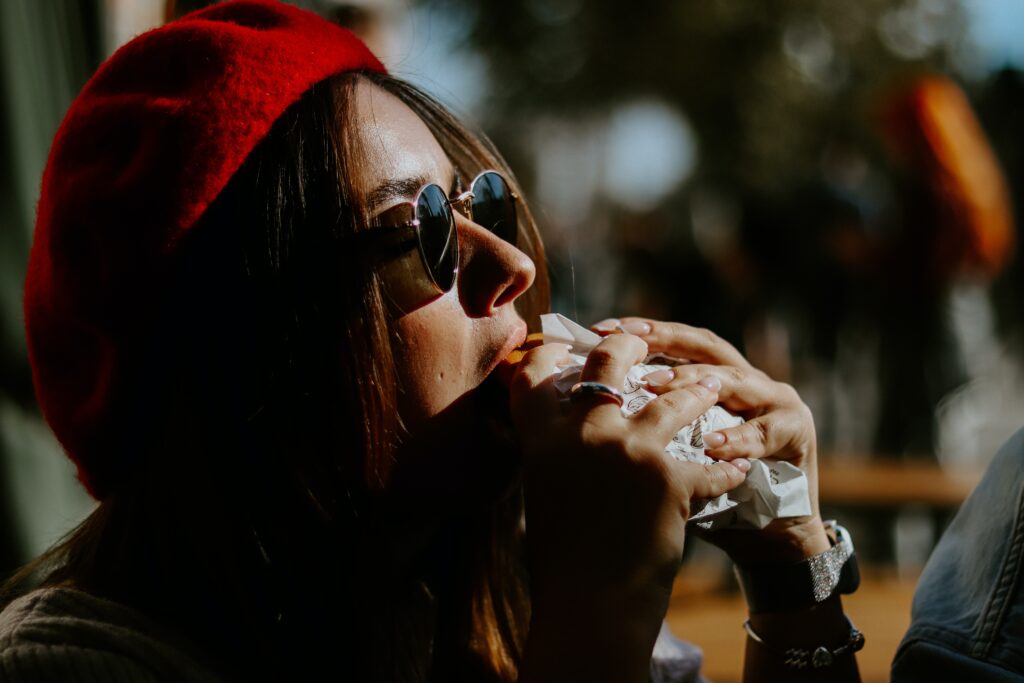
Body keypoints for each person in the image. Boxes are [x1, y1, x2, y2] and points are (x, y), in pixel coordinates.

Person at [0, 1, 862, 681]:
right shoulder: (70, 665)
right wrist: (600, 608)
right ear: (256, 341)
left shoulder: (486, 603)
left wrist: (792, 578)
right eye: (425, 229)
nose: (517, 262)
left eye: (479, 205)